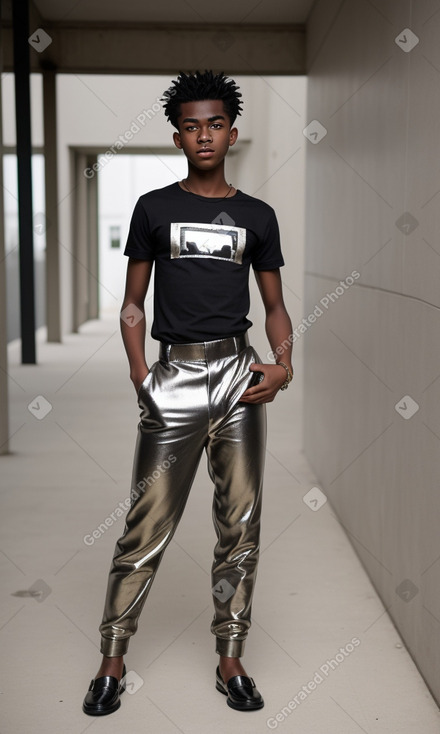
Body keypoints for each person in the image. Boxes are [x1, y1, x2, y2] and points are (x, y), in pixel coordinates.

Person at [82, 69, 294, 716]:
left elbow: (276, 305)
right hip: (173, 378)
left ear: (232, 131)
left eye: (215, 124)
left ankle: (230, 658)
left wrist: (283, 364)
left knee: (242, 524)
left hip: (238, 378)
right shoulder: (153, 209)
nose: (204, 135)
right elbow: (130, 305)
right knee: (143, 528)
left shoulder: (257, 216)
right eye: (191, 126)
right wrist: (141, 376)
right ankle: (111, 661)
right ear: (178, 137)